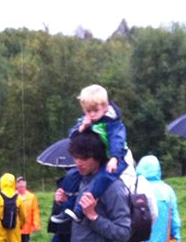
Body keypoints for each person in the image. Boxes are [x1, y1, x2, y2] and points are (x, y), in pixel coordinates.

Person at [51, 84, 128, 224]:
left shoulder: (113, 123)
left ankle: (79, 212)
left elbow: (117, 141)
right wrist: (82, 127)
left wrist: (115, 158)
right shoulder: (87, 120)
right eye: (88, 111)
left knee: (101, 179)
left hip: (114, 159)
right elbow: (73, 139)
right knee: (71, 175)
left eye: (95, 110)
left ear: (105, 107)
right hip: (96, 157)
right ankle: (67, 209)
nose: (92, 114)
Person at [17, 177, 41, 242]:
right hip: (16, 225)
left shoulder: (31, 197)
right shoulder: (14, 196)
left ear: (25, 186)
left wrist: (36, 224)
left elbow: (35, 211)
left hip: (26, 226)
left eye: (23, 186)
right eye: (19, 186)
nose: (21, 188)